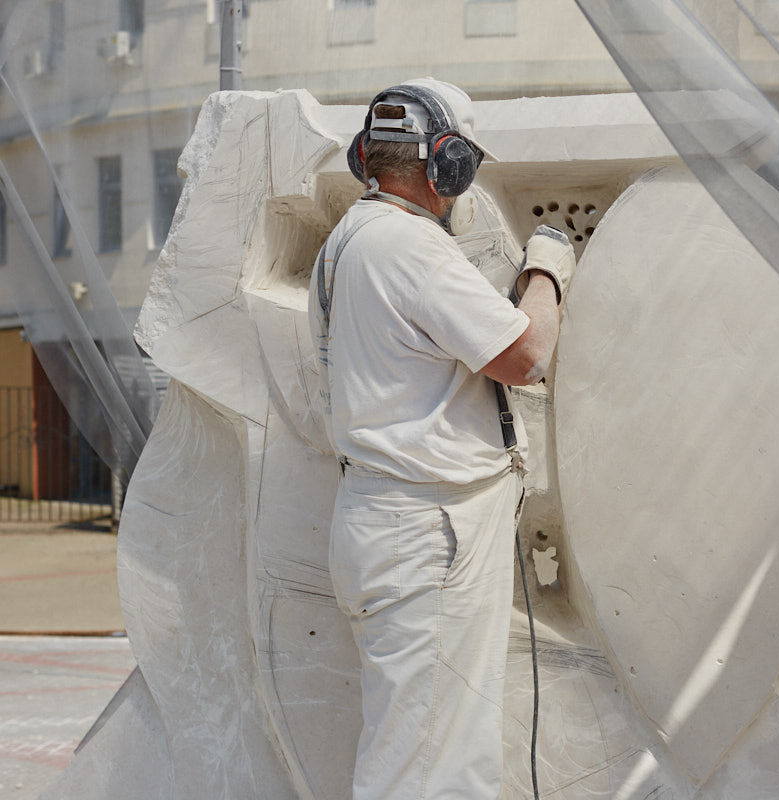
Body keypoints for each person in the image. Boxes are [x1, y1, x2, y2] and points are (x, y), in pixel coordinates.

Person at [308, 77, 575, 800]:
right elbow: (525, 355)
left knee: (434, 755)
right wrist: (546, 271)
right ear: (448, 164)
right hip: (425, 533)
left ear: (368, 155)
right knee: (424, 767)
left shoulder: (353, 240)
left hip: (398, 524)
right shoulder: (406, 246)